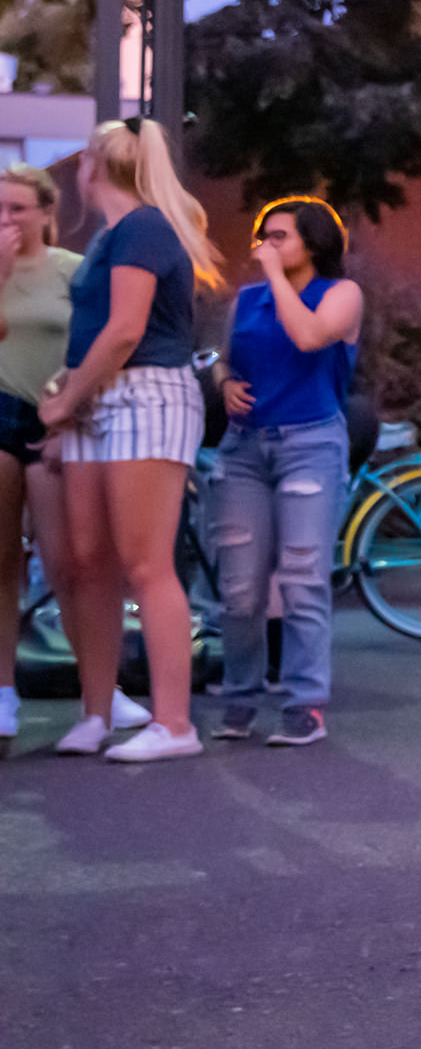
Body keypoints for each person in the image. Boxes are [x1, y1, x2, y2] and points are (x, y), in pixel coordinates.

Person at [40, 118, 223, 762]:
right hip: (101, 399)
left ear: (94, 167)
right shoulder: (111, 236)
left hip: (146, 395)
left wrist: (66, 398)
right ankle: (97, 712)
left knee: (145, 563)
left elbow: (125, 330)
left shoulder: (143, 227)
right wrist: (72, 392)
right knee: (88, 562)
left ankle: (174, 724)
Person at [212, 197, 363, 746]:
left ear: (314, 243)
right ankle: (240, 698)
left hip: (310, 444)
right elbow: (223, 357)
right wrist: (224, 382)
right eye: (264, 237)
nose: (267, 246)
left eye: (281, 237)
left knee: (302, 580)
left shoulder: (341, 294)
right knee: (239, 589)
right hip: (244, 448)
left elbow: (309, 337)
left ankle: (305, 705)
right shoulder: (246, 299)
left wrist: (276, 278)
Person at [0, 164, 81, 747]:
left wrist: (70, 411)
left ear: (46, 212)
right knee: (2, 562)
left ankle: (101, 687)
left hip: (54, 417)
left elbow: (91, 343)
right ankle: (4, 691)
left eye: (17, 208)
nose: (6, 219)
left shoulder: (72, 269)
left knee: (66, 561)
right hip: (1, 409)